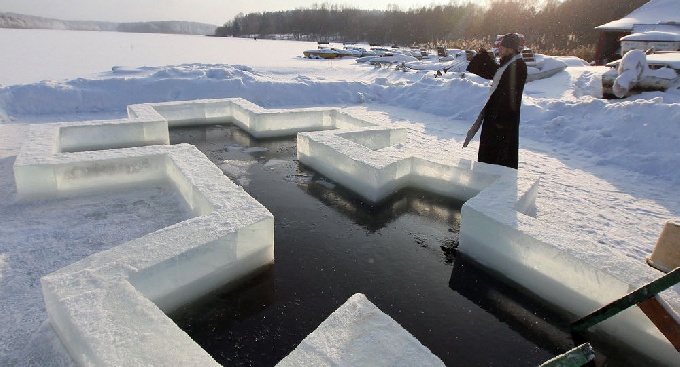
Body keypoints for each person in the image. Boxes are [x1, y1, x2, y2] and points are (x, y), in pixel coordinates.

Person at [463, 33, 527, 169]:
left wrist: (499, 120)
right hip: (495, 116)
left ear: (510, 48)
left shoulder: (518, 65)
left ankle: (495, 183)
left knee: (498, 156)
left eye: (502, 47)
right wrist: (482, 58)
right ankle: (486, 177)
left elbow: (510, 95)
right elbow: (496, 73)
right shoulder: (509, 62)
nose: (499, 50)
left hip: (502, 120)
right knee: (490, 153)